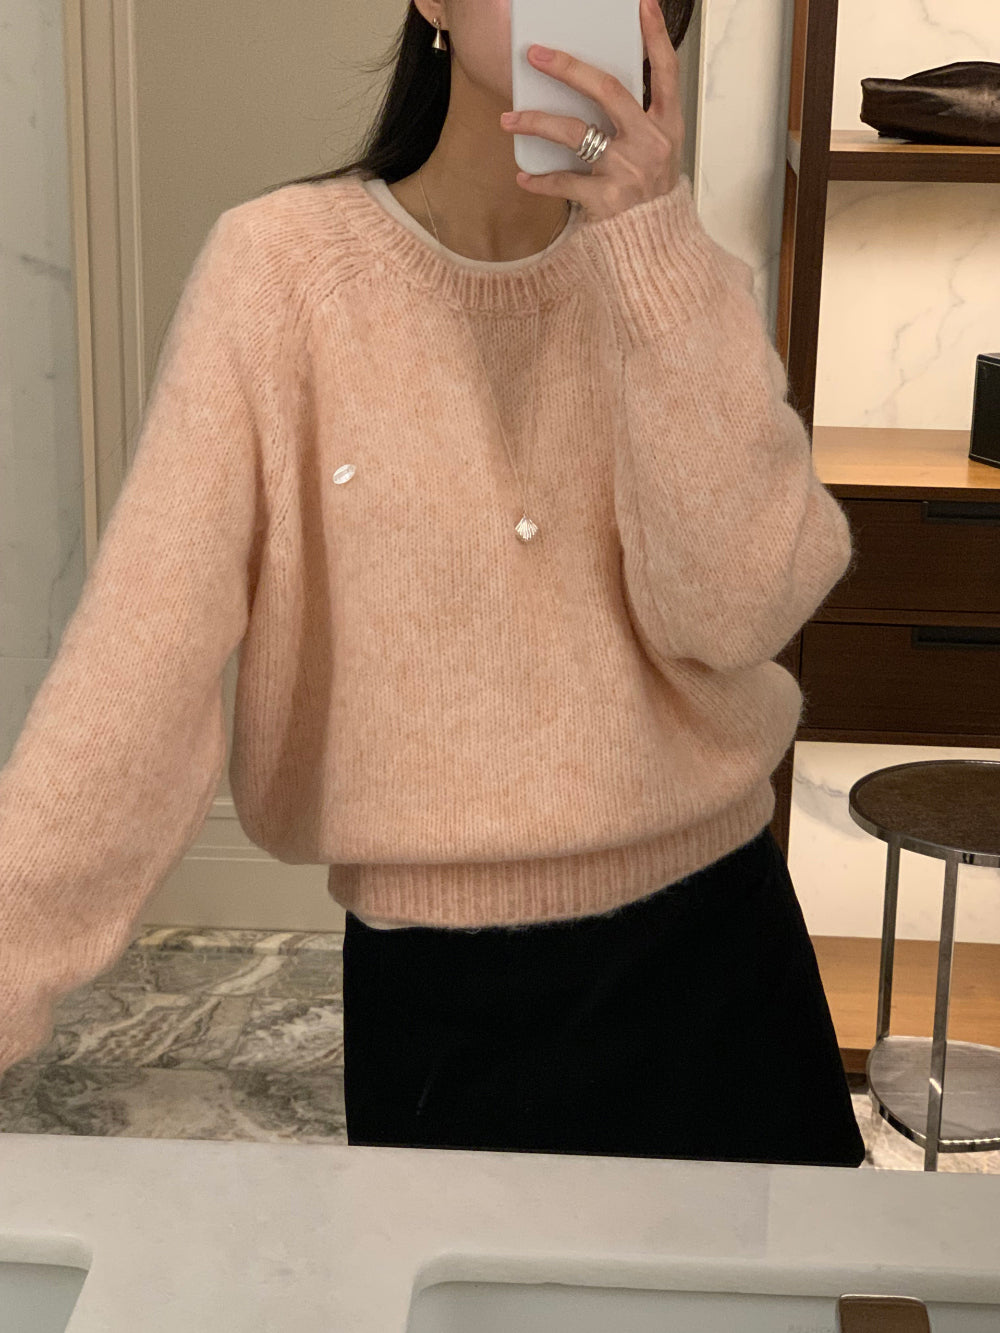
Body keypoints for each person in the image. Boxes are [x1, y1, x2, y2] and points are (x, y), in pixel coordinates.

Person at [0, 0, 866, 1170]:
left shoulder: (674, 277)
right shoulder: (281, 272)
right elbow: (135, 664)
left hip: (715, 951)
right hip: (444, 996)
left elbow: (740, 607)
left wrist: (654, 251)